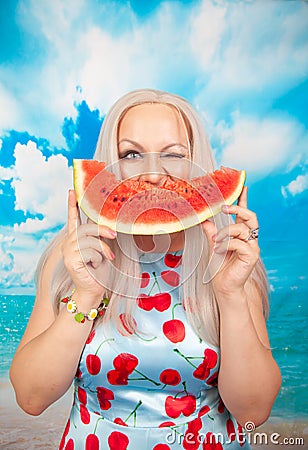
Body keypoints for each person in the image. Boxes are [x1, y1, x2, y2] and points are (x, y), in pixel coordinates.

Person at [10, 89, 281, 449]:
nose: (153, 174)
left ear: (196, 163)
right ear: (110, 165)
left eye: (173, 154)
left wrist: (230, 295)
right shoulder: (74, 255)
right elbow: (31, 398)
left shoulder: (231, 259)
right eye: (132, 154)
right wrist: (87, 293)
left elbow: (253, 411)